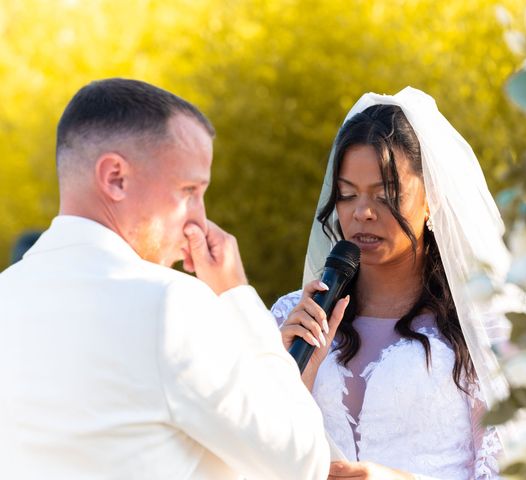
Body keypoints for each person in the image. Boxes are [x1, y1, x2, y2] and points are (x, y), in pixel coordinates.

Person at [0, 78, 331, 479]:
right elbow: (300, 461)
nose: (199, 218)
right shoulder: (169, 304)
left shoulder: (8, 295)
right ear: (115, 177)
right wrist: (236, 294)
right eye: (189, 190)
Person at [272, 88, 526, 479]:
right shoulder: (293, 317)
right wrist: (293, 377)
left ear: (432, 199)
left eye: (386, 194)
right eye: (347, 195)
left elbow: (516, 471)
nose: (362, 213)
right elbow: (250, 458)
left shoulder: (485, 321)